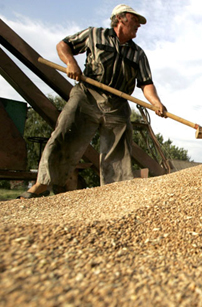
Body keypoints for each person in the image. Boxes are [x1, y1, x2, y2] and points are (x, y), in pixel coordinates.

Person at [18, 4, 167, 199]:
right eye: (135, 19)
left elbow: (146, 83)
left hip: (117, 105)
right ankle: (42, 184)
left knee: (119, 151)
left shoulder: (138, 54)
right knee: (65, 134)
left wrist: (156, 102)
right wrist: (71, 63)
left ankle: (114, 194)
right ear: (121, 18)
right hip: (87, 96)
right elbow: (63, 45)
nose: (139, 24)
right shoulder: (94, 35)